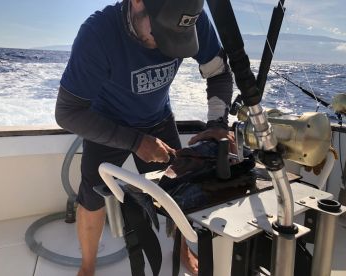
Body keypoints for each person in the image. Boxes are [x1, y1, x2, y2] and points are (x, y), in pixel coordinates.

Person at [55, 0, 233, 275]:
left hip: (158, 118)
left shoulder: (191, 16)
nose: (167, 47)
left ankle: (182, 250)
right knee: (91, 196)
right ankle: (87, 266)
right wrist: (135, 142)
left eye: (179, 39)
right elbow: (67, 113)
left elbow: (219, 72)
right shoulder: (98, 33)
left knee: (178, 192)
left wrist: (218, 123)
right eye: (163, 34)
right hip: (106, 124)